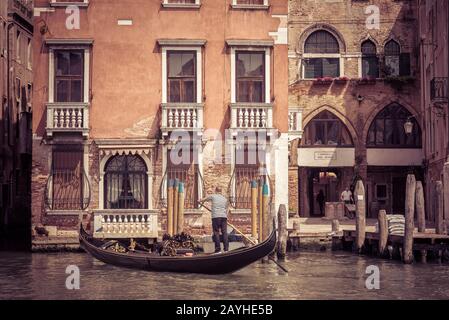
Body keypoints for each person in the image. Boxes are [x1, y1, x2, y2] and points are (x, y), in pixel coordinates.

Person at [200, 187, 229, 254]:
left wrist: (199, 200)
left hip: (216, 217)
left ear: (216, 191)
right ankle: (226, 249)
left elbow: (205, 199)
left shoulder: (213, 196)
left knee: (216, 233)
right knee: (224, 233)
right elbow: (226, 208)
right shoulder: (225, 199)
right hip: (224, 217)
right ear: (221, 191)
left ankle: (218, 250)